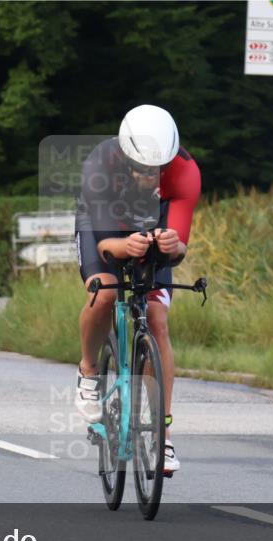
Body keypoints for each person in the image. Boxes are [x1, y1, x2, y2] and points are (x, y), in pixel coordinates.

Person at [73, 104, 201, 475]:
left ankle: (162, 436)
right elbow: (104, 246)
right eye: (145, 170)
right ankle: (88, 370)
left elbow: (177, 252)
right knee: (106, 291)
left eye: (160, 169)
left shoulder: (185, 173)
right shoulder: (101, 165)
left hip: (152, 219)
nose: (154, 177)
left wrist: (172, 245)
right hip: (102, 223)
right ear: (126, 158)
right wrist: (123, 246)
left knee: (157, 317)